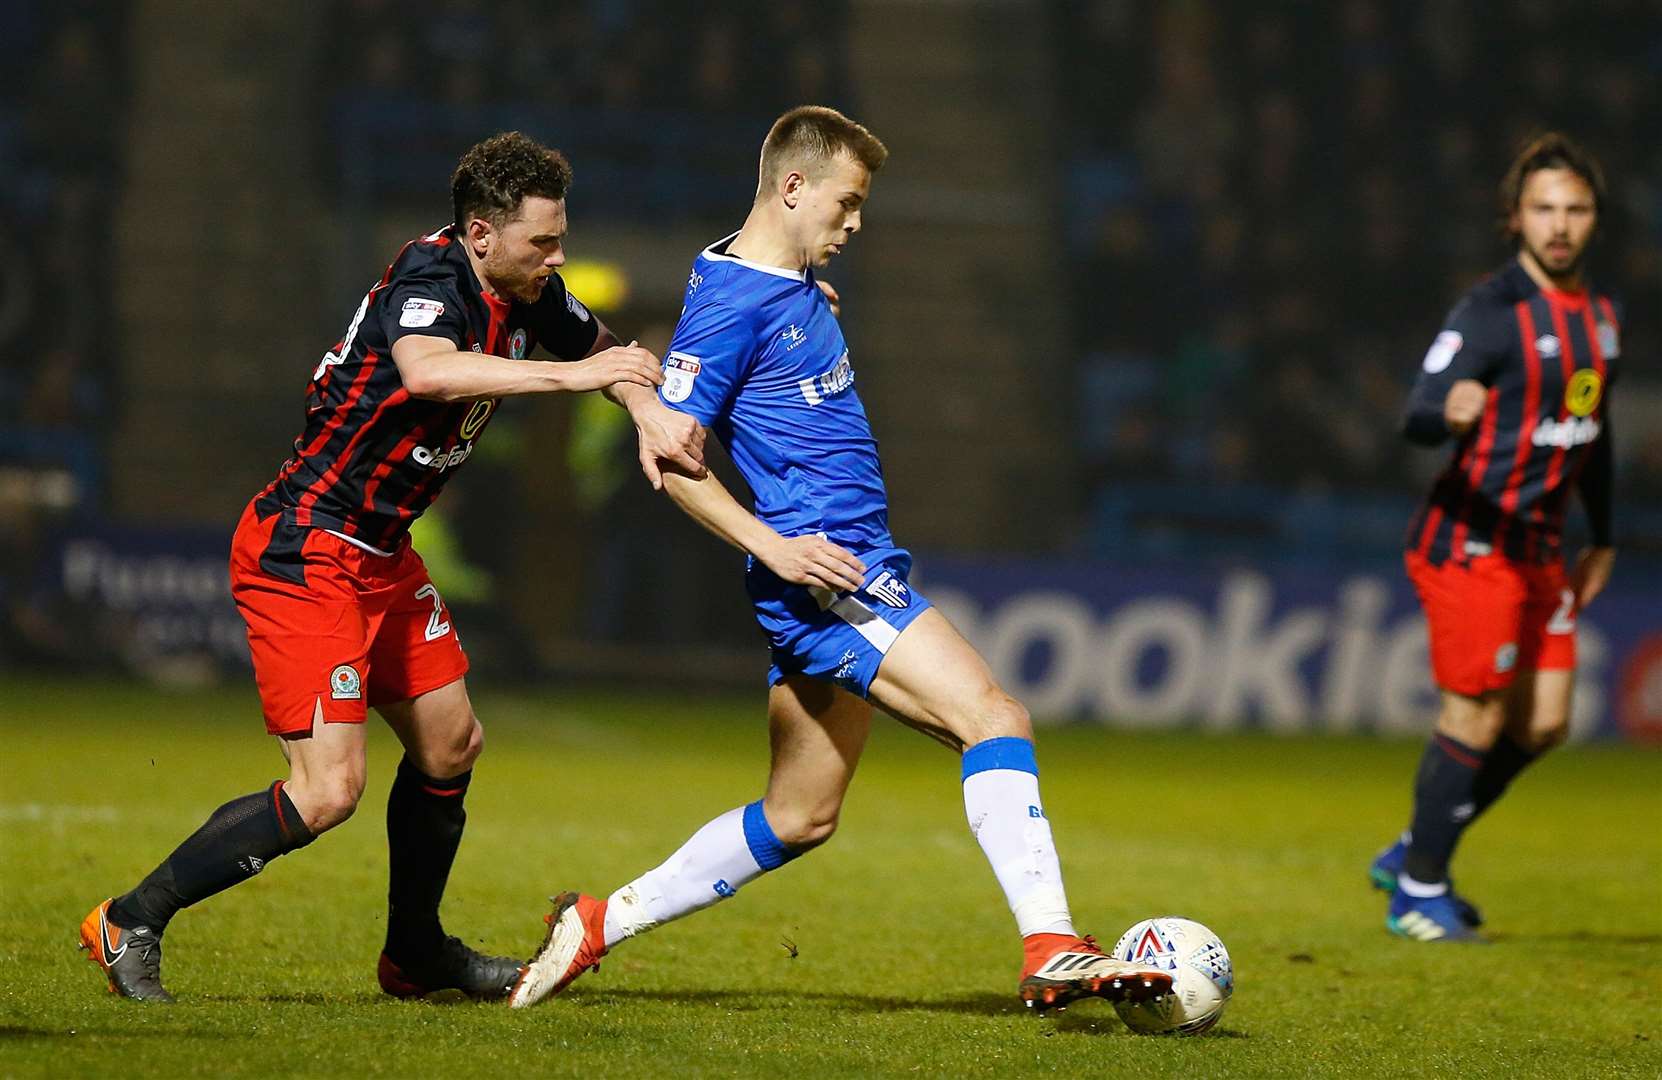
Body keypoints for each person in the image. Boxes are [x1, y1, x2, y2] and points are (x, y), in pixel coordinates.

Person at [509, 106, 1172, 1013]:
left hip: (837, 569)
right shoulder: (734, 304)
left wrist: (803, 299)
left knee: (799, 815)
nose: (856, 223)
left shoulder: (784, 283)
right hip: (833, 577)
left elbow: (774, 325)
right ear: (793, 187)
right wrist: (775, 547)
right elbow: (670, 457)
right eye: (847, 203)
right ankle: (1051, 944)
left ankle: (596, 921)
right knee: (996, 716)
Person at [78, 132, 706, 1001]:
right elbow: (427, 370)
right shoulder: (430, 276)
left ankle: (412, 953)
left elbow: (604, 350)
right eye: (543, 243)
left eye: (560, 239)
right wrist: (578, 378)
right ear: (481, 235)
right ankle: (130, 917)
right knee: (328, 791)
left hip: (380, 554)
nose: (557, 259)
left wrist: (643, 408)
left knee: (452, 745)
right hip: (307, 544)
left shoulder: (526, 290)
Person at [1372, 132, 1620, 942]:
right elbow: (1416, 411)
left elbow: (1593, 429)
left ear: (1594, 219)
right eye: (1544, 208)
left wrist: (1604, 534)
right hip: (1470, 542)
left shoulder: (1602, 320)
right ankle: (1418, 889)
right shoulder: (1490, 310)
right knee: (1474, 717)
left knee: (1544, 725)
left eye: (1575, 209)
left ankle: (1419, 843)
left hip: (1545, 548)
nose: (1560, 224)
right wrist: (1446, 411)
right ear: (1514, 218)